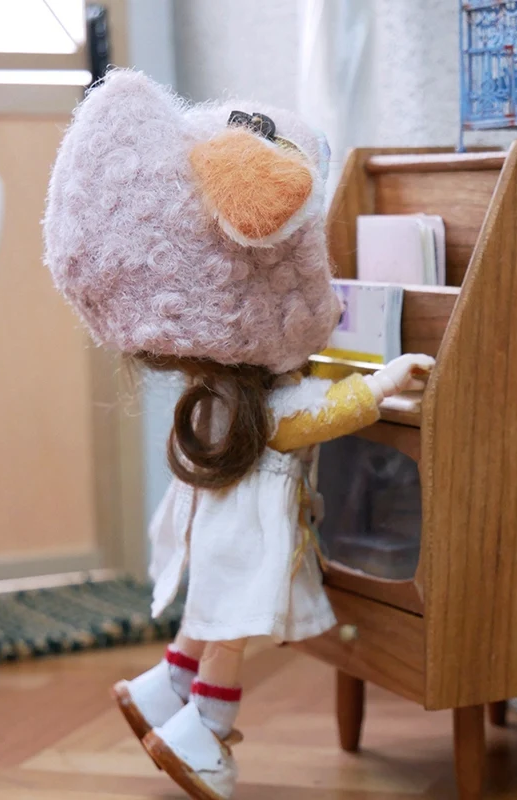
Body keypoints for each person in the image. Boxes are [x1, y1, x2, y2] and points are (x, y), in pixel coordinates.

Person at [43, 69, 434, 800]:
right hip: (249, 534)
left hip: (217, 523)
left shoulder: (218, 389)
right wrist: (381, 384)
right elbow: (315, 418)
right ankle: (205, 733)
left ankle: (165, 687)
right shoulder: (263, 403)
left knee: (210, 611)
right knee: (230, 632)